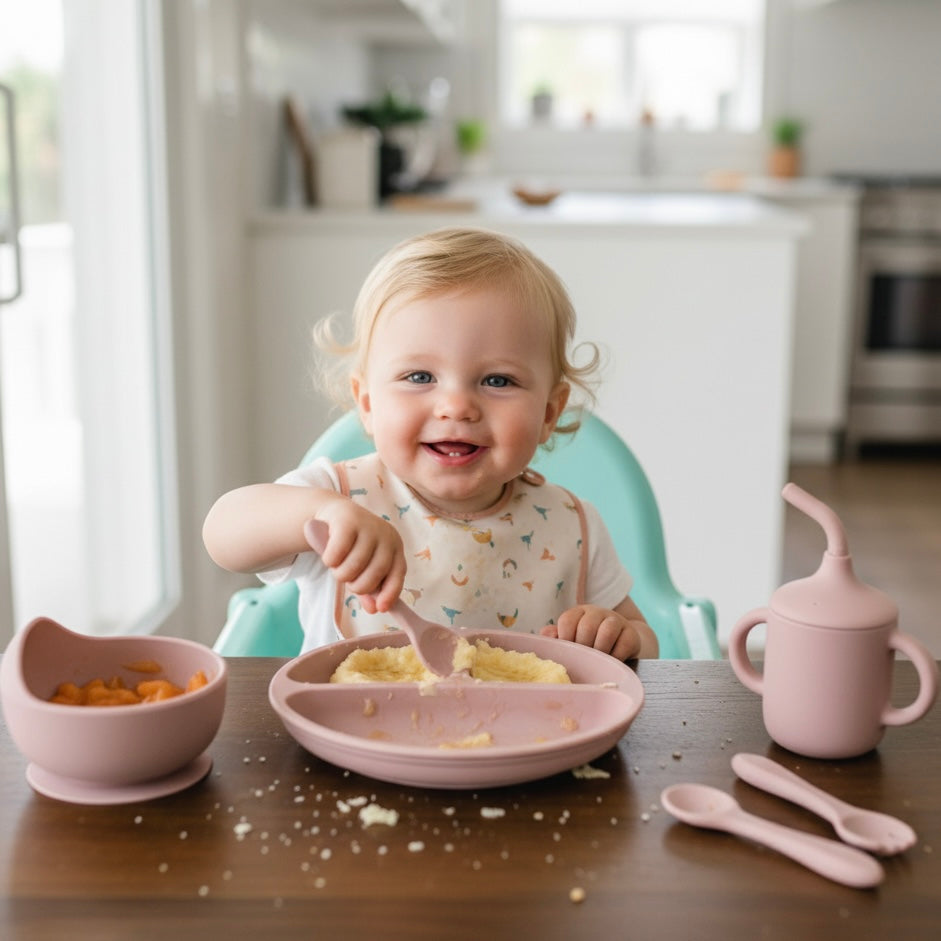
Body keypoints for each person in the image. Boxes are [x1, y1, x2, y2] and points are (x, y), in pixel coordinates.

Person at [203, 227, 658, 660]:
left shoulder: (572, 525)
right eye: (419, 377)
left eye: (497, 380)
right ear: (366, 402)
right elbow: (223, 532)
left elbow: (646, 641)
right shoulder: (339, 498)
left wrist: (618, 637)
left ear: (548, 414)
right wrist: (323, 513)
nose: (456, 406)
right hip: (354, 732)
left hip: (525, 737)